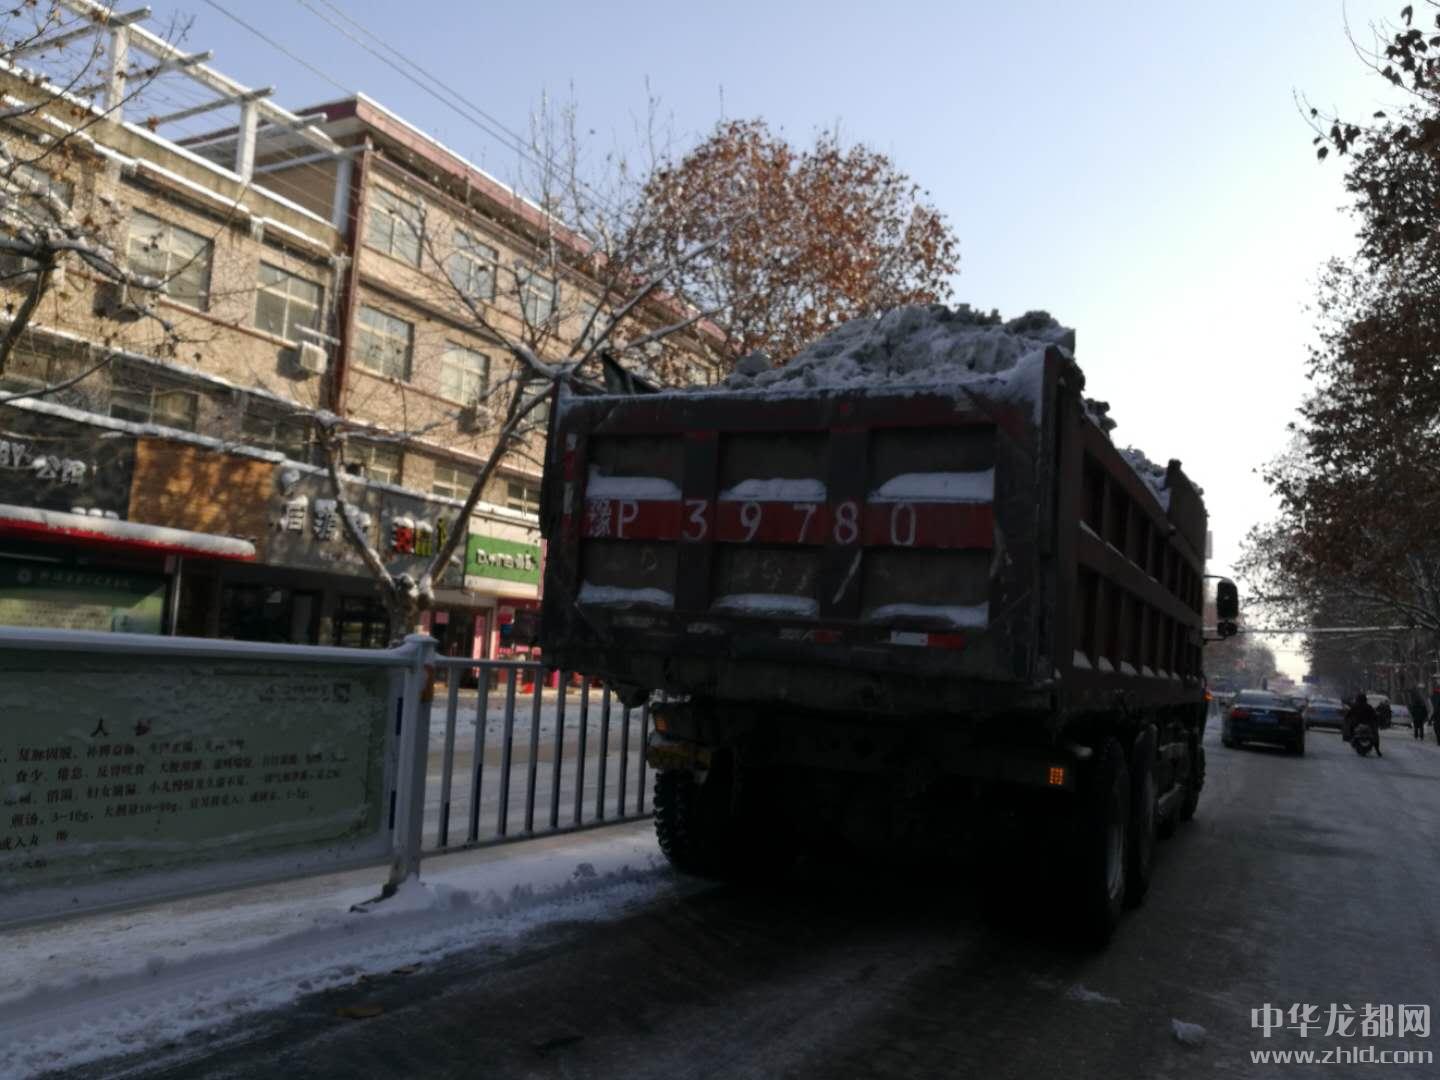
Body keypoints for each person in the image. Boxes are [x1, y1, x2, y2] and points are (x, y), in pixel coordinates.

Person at [1345, 691, 1381, 756]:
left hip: (1358, 724)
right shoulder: (1368, 706)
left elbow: (1348, 714)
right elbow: (1374, 715)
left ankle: (1349, 738)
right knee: (1375, 734)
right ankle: (1377, 750)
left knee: (1350, 729)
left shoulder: (1355, 706)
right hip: (1367, 724)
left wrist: (1347, 718)